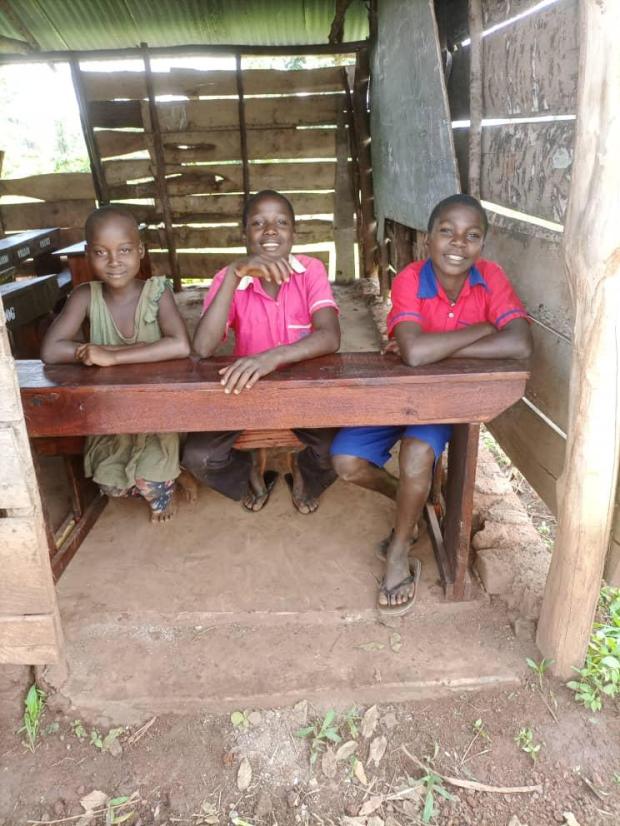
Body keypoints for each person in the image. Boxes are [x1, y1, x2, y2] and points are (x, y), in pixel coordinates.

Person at [331, 194, 533, 615]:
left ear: (482, 244)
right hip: (399, 393)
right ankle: (410, 499)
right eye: (447, 231)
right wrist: (482, 329)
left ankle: (399, 549)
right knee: (346, 462)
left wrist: (434, 348)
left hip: (446, 401)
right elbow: (414, 355)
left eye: (471, 235)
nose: (458, 243)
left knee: (417, 454)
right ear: (428, 239)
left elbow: (518, 344)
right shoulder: (410, 278)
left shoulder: (490, 277)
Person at [183, 189, 340, 514]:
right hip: (246, 391)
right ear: (244, 233)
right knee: (198, 457)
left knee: (338, 451)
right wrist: (234, 273)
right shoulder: (227, 279)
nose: (270, 230)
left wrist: (271, 357)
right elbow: (201, 347)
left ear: (294, 233)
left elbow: (330, 336)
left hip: (303, 390)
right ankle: (250, 470)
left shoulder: (310, 270)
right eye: (258, 223)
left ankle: (303, 471)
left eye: (281, 222)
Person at [41, 205, 192, 524]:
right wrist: (86, 351)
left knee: (152, 485)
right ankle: (165, 477)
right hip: (111, 415)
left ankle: (169, 482)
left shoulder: (157, 293)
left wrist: (111, 355)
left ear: (140, 251)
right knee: (111, 485)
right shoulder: (85, 296)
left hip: (156, 413)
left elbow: (180, 345)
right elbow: (51, 350)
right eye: (101, 252)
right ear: (88, 254)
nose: (114, 261)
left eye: (124, 250)